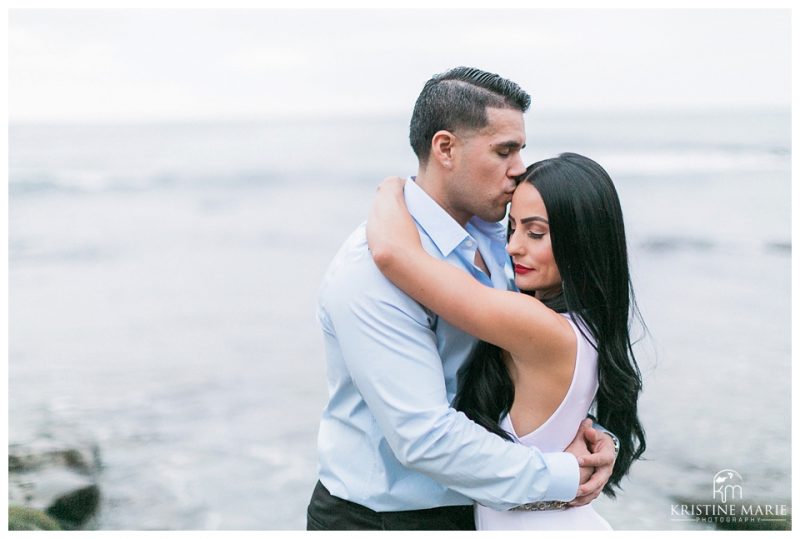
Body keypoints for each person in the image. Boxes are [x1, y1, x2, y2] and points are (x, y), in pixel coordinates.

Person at [306, 67, 618, 531]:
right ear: (445, 148)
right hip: (388, 519)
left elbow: (537, 366)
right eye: (504, 150)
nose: (519, 168)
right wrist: (564, 473)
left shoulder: (504, 238)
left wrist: (587, 433)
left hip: (488, 505)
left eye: (521, 150)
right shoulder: (368, 272)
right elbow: (425, 439)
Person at [366, 153, 646, 529]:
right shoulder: (584, 324)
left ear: (580, 238)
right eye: (511, 227)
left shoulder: (538, 326)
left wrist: (391, 187)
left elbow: (392, 254)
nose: (513, 246)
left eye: (535, 232)